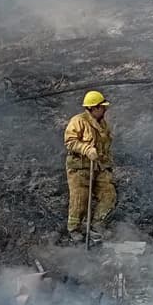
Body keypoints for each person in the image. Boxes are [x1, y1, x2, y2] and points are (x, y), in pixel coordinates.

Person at [64, 90, 116, 242]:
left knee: (109, 195)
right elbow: (70, 141)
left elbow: (105, 148)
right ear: (93, 108)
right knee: (80, 199)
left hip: (98, 167)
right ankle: (74, 229)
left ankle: (96, 225)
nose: (105, 110)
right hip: (80, 168)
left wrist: (106, 165)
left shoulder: (103, 124)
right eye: (102, 107)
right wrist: (86, 149)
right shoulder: (78, 121)